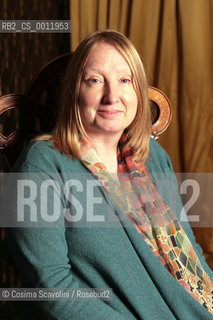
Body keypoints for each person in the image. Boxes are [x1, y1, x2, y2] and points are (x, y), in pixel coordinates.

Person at [7, 30, 213, 319]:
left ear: (138, 91)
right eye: (95, 80)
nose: (112, 96)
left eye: (124, 80)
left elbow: (191, 253)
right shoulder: (41, 166)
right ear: (73, 91)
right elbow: (50, 288)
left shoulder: (153, 157)